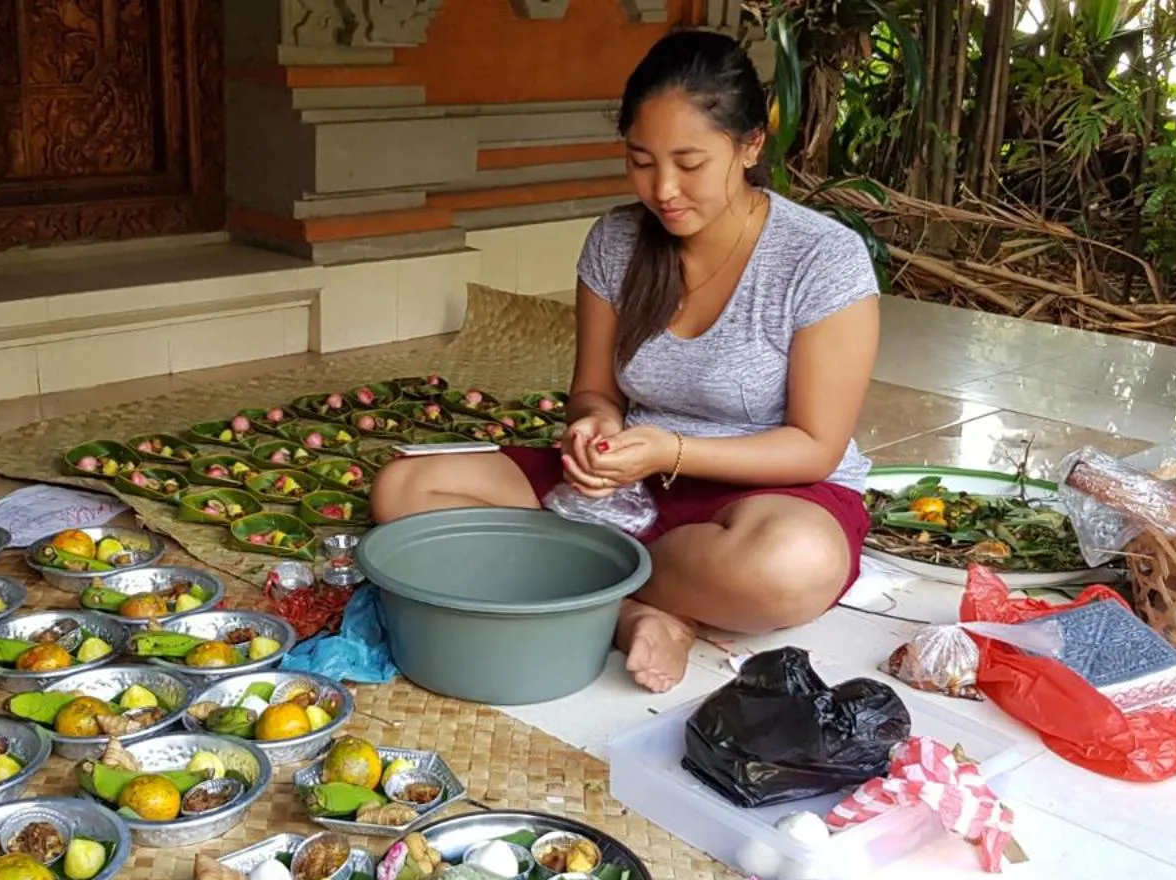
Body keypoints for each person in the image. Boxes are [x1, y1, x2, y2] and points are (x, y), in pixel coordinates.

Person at [372, 29, 881, 693]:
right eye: (640, 160)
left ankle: (585, 580)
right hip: (626, 485)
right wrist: (592, 429)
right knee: (404, 490)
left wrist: (668, 451)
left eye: (689, 162)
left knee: (792, 566)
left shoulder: (822, 260)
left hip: (768, 495)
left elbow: (814, 447)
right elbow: (593, 392)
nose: (662, 188)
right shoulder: (615, 243)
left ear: (752, 144)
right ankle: (638, 609)